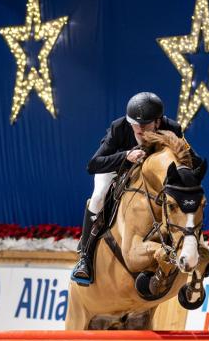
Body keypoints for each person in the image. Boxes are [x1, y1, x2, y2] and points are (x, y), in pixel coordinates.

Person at [71, 92, 192, 285]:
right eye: (135, 124)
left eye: (145, 125)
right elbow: (93, 164)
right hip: (116, 169)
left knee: (183, 195)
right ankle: (85, 257)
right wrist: (126, 156)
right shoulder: (119, 128)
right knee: (98, 197)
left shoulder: (172, 128)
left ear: (158, 121)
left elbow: (189, 158)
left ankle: (198, 247)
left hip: (151, 175)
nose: (139, 129)